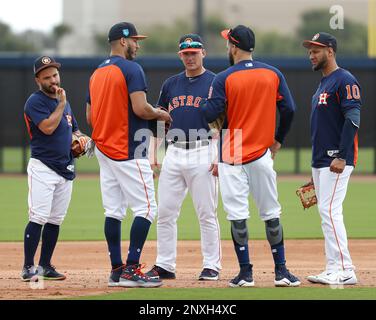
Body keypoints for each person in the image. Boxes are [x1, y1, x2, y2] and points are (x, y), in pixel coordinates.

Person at [200, 25, 300, 287]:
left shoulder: (223, 77)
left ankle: (245, 274)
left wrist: (205, 104)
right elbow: (289, 109)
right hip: (261, 152)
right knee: (271, 212)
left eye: (228, 43)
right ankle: (281, 272)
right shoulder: (272, 73)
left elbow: (210, 114)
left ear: (233, 46)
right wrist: (278, 140)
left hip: (232, 153)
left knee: (237, 216)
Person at [86, 22, 171, 288]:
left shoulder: (96, 73)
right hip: (128, 147)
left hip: (103, 147)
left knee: (113, 210)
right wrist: (160, 113)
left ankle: (116, 269)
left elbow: (90, 117)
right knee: (146, 208)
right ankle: (131, 270)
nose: (138, 44)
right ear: (123, 41)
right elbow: (141, 109)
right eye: (135, 40)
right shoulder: (131, 69)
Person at [145, 34, 222, 281]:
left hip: (204, 149)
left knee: (206, 212)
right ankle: (165, 264)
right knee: (165, 212)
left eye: (194, 52)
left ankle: (212, 265)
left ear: (203, 53)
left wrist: (223, 155)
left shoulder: (215, 82)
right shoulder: (171, 84)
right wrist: (153, 152)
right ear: (180, 55)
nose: (190, 57)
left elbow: (227, 120)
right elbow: (160, 118)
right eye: (186, 53)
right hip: (174, 152)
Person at [21, 56, 88, 281]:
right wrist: (60, 104)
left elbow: (75, 129)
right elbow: (48, 128)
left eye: (55, 75)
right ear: (37, 79)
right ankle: (28, 267)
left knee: (55, 219)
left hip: (65, 168)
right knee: (38, 216)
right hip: (43, 166)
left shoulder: (64, 102)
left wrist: (81, 140)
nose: (53, 80)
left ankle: (46, 265)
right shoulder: (35, 101)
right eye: (47, 77)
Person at [303, 32, 361, 285]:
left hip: (337, 160)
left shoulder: (344, 79)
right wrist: (315, 167)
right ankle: (333, 267)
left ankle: (346, 269)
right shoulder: (323, 84)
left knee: (330, 210)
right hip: (321, 161)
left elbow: (353, 119)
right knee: (325, 212)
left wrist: (341, 155)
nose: (311, 55)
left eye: (317, 50)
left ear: (330, 51)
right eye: (310, 51)